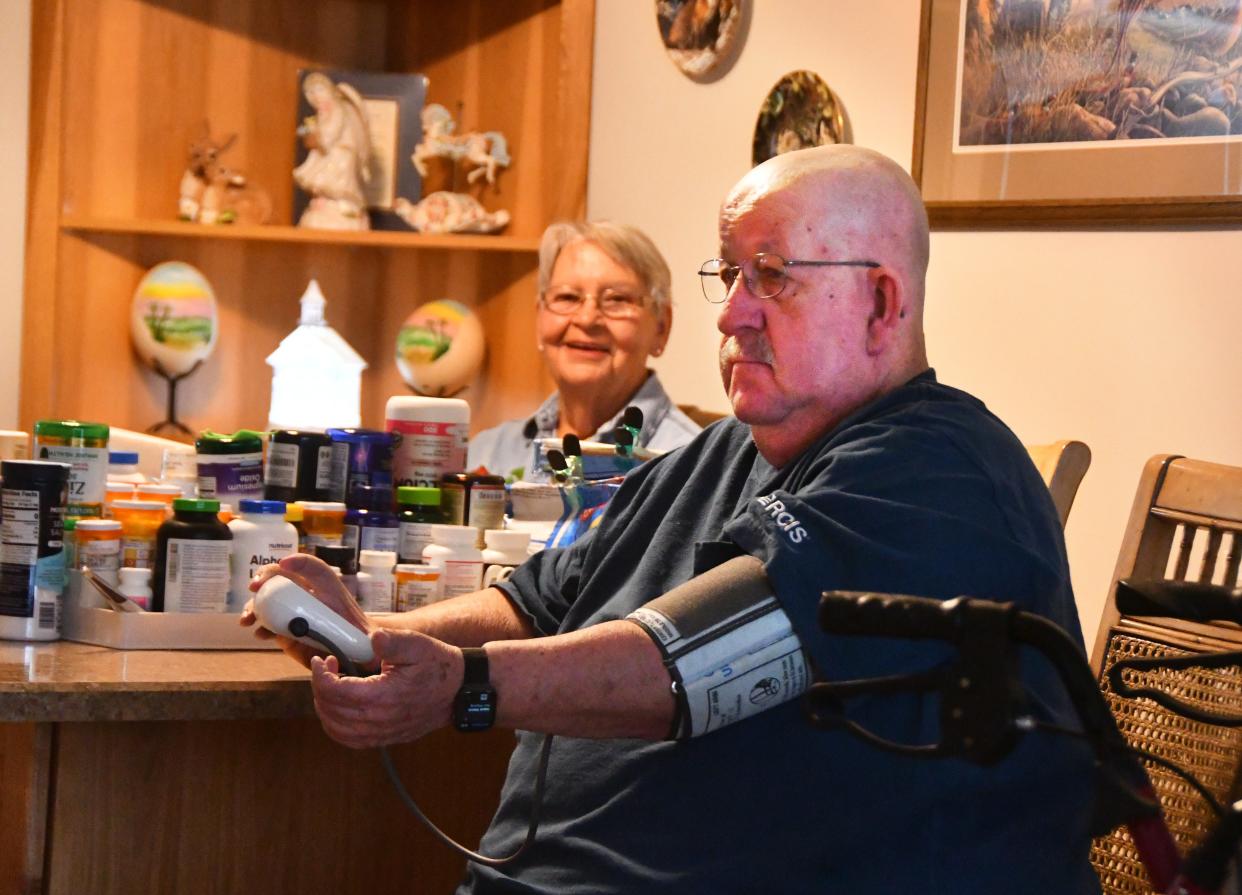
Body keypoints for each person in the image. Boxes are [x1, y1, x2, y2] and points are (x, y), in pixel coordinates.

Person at [245, 145, 1099, 892]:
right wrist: (374, 634)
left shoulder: (939, 468)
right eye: (728, 275)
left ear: (881, 303)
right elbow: (537, 603)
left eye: (772, 277)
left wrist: (464, 686)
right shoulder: (724, 450)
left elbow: (705, 660)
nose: (730, 312)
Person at [466, 221, 700, 481]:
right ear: (540, 318)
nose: (587, 319)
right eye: (567, 297)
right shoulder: (485, 456)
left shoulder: (693, 469)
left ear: (661, 328)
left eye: (617, 299)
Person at [293, 72, 372, 230]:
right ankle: (326, 203)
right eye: (312, 93)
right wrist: (309, 132)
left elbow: (331, 133)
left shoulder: (337, 108)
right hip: (327, 152)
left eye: (320, 90)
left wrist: (315, 133)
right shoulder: (323, 112)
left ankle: (341, 206)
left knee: (335, 182)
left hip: (340, 154)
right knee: (320, 177)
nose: (316, 96)